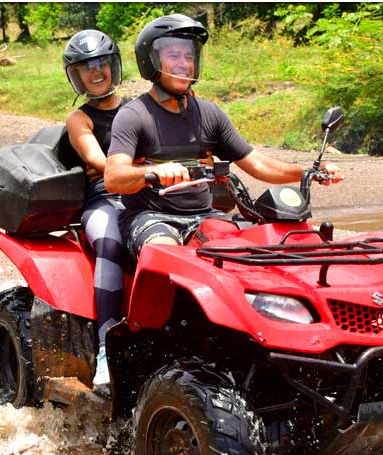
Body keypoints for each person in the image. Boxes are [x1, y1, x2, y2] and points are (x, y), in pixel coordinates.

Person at [104, 14, 343, 259]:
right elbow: (114, 177)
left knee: (247, 252)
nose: (184, 63)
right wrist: (149, 173)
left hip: (204, 217)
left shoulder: (210, 113)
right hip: (150, 218)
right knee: (167, 255)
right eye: (173, 56)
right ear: (151, 61)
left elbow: (257, 163)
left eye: (189, 56)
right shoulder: (133, 115)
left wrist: (308, 171)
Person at [63, 29, 126, 388]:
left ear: (113, 66)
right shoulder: (80, 119)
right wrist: (141, 168)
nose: (96, 72)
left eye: (101, 63)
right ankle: (105, 348)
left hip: (152, 194)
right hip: (105, 198)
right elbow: (98, 161)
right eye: (86, 68)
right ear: (77, 75)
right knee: (110, 239)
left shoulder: (141, 108)